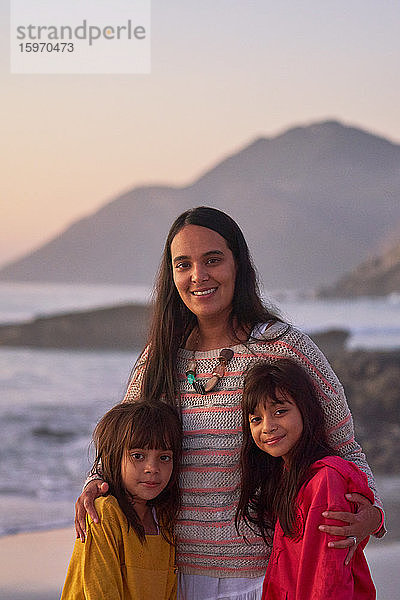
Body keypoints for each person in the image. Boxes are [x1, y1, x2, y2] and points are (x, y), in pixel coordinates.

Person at [75, 206, 385, 600]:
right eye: (183, 264)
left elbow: (345, 449)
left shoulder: (285, 348)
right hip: (172, 575)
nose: (198, 276)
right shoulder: (160, 359)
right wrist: (93, 484)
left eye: (213, 260)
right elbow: (123, 445)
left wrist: (374, 517)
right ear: (172, 276)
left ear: (238, 265)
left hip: (266, 577)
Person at [237, 359, 376, 599]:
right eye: (256, 419)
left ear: (306, 410)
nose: (267, 427)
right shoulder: (285, 475)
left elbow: (327, 577)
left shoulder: (325, 480)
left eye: (280, 411)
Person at [62, 400, 182, 600]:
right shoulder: (104, 513)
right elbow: (101, 592)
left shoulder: (164, 522)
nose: (152, 468)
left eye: (164, 458)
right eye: (138, 456)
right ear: (112, 457)